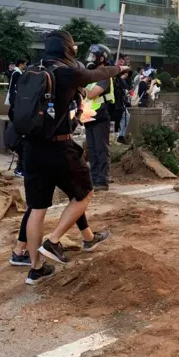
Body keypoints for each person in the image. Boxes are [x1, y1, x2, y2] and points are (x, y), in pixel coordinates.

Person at [19, 30, 125, 285]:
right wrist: (116, 69)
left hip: (30, 148)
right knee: (85, 193)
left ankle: (36, 269)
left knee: (37, 209)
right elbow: (94, 76)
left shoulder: (31, 71)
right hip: (59, 148)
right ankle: (53, 242)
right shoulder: (65, 72)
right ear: (67, 48)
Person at [84, 43, 116, 193]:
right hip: (89, 117)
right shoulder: (92, 76)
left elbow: (91, 94)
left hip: (100, 117)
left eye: (93, 56)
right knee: (91, 149)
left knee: (101, 149)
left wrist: (78, 85)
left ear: (102, 58)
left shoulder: (104, 76)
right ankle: (94, 177)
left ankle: (102, 180)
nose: (90, 59)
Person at [4, 58, 27, 176]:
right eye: (24, 64)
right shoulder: (17, 73)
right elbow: (15, 89)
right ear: (20, 64)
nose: (25, 66)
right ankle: (20, 168)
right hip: (16, 109)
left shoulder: (16, 73)